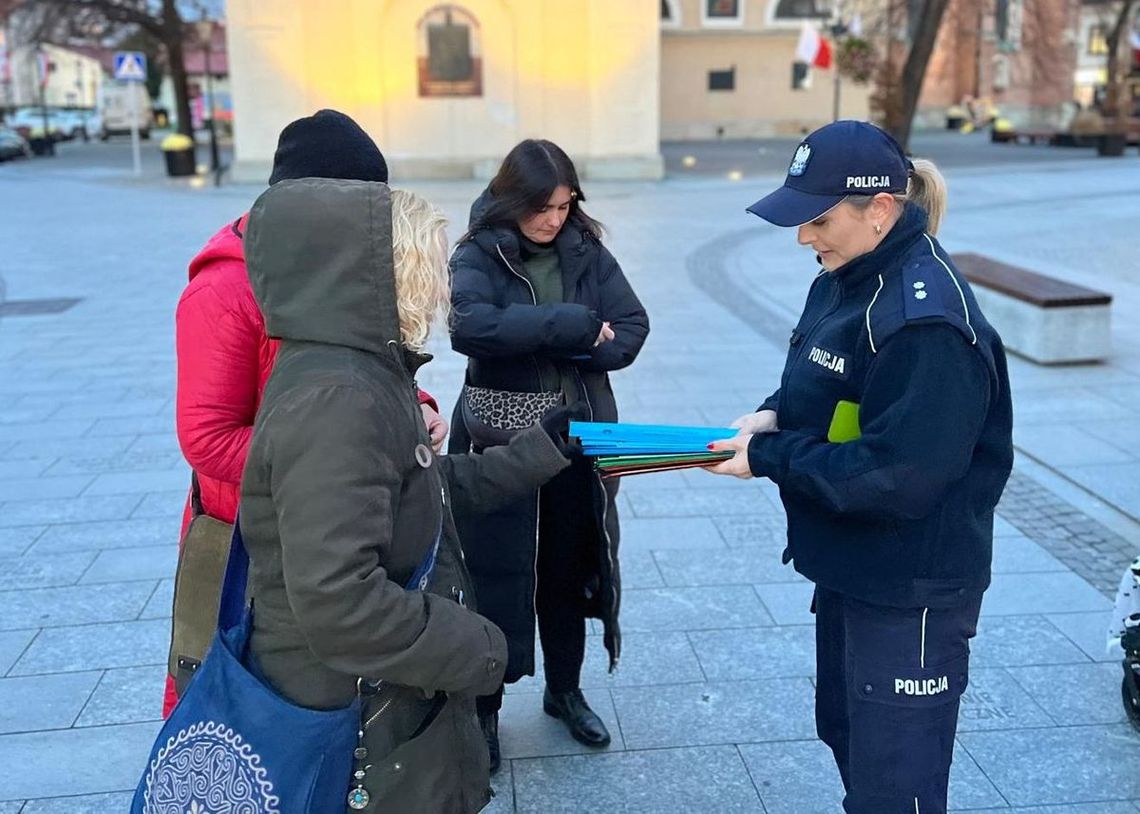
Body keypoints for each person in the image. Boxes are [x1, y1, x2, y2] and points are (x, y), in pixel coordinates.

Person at [240, 127, 579, 812]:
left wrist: (537, 452)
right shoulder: (341, 398)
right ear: (374, 278)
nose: (440, 293)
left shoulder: (361, 369)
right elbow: (340, 604)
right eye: (428, 272)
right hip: (358, 717)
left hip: (388, 702)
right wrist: (477, 644)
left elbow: (417, 489)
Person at [706, 120, 1013, 814]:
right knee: (849, 739)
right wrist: (774, 414)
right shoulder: (846, 276)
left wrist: (768, 458)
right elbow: (833, 387)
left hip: (912, 590)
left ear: (879, 210)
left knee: (895, 786)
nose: (802, 237)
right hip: (852, 565)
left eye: (817, 219)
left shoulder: (926, 325)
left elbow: (898, 476)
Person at [166, 109, 446, 717]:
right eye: (361, 205)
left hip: (329, 519)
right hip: (249, 536)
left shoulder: (336, 268)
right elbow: (206, 435)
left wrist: (415, 407)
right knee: (249, 708)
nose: (372, 222)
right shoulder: (223, 291)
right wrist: (330, 462)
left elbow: (368, 364)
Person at [447, 139, 649, 770]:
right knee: (495, 571)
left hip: (578, 440)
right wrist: (573, 327)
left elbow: (632, 329)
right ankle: (485, 709)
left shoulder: (587, 250)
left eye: (564, 206)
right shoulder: (477, 252)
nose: (553, 219)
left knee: (569, 565)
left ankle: (565, 691)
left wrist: (579, 341)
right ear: (514, 198)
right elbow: (469, 327)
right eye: (542, 206)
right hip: (500, 443)